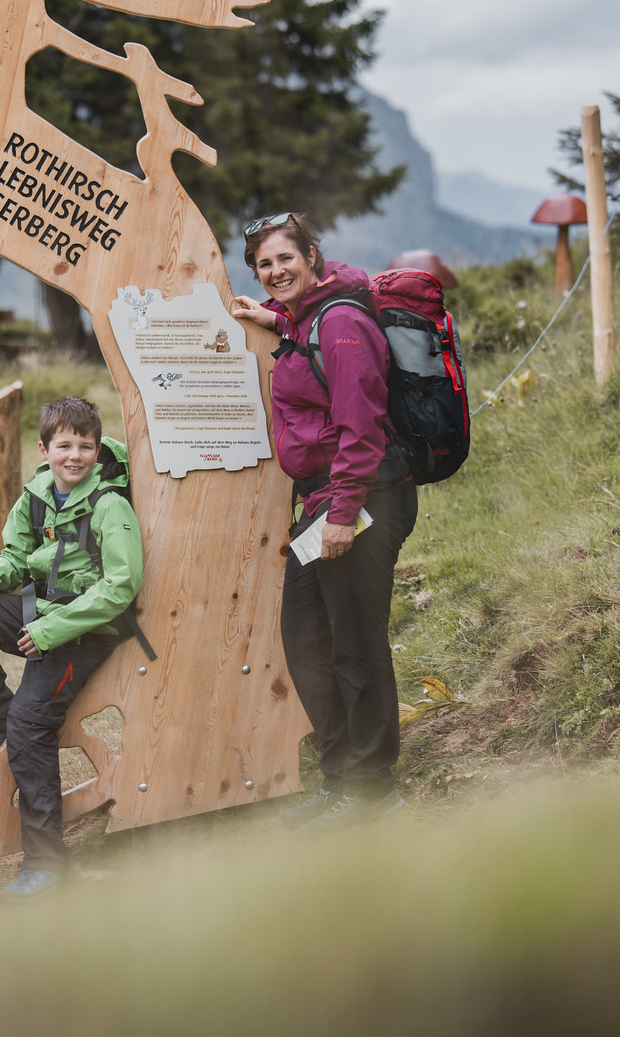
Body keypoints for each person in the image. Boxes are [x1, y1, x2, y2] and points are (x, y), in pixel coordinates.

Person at [231, 212, 417, 828]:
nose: (276, 271)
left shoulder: (338, 323)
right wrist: (276, 318)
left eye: (286, 259)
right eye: (265, 265)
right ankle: (339, 778)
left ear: (312, 255)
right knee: (308, 638)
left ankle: (372, 786)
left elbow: (360, 425)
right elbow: (306, 342)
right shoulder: (310, 318)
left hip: (361, 498)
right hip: (323, 505)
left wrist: (342, 514)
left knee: (354, 643)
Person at [0, 396, 144, 900]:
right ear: (44, 447)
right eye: (64, 445)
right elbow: (15, 556)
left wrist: (53, 632)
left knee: (30, 726)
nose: (75, 456)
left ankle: (48, 865)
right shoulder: (37, 493)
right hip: (42, 614)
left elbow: (120, 587)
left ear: (97, 448)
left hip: (87, 628)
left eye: (86, 446)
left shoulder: (109, 503)